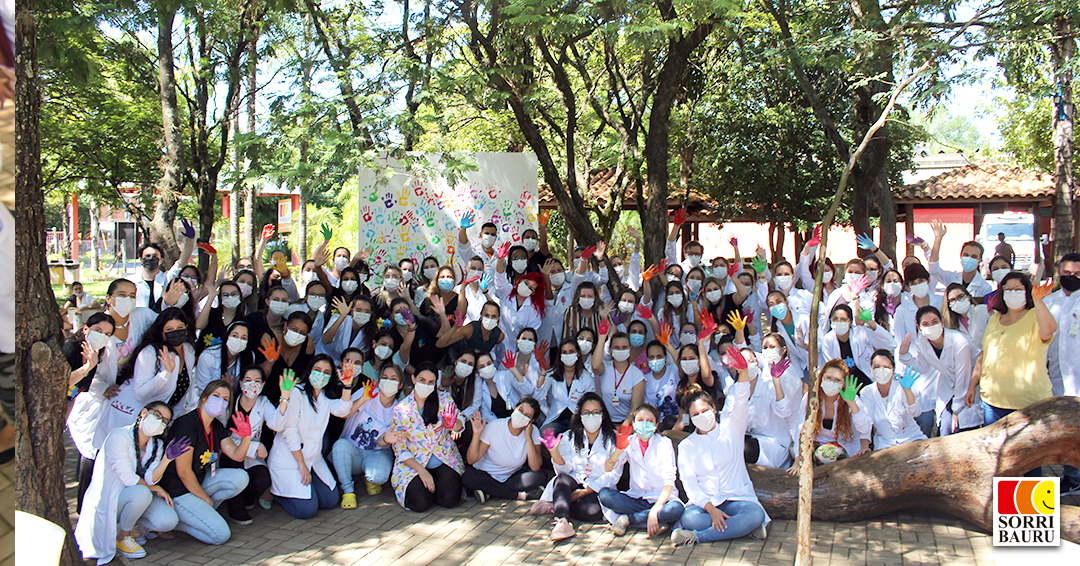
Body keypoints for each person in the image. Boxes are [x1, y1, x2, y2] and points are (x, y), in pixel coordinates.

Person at [965, 272, 1055, 476]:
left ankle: (1030, 508)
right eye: (1008, 289)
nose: (1013, 293)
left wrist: (1039, 301)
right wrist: (973, 384)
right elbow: (984, 353)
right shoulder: (996, 318)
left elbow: (1048, 331)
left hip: (1028, 403)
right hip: (994, 403)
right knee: (1000, 461)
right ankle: (1005, 507)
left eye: (1019, 289)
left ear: (1027, 291)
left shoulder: (1035, 315)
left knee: (1030, 460)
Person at [74, 402, 183, 563]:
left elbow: (150, 477)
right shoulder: (119, 436)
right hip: (111, 496)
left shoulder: (156, 445)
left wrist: (166, 460)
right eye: (157, 416)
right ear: (144, 413)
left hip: (132, 495)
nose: (160, 422)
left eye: (165, 421)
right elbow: (128, 478)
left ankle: (132, 524)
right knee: (142, 493)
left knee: (168, 520)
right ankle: (123, 536)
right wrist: (155, 488)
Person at [671, 381, 770, 547]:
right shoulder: (686, 446)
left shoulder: (731, 430)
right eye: (695, 414)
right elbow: (690, 485)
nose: (701, 416)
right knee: (689, 518)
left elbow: (741, 401)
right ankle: (743, 528)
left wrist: (744, 373)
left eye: (705, 411)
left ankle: (697, 537)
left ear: (714, 409)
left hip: (736, 500)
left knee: (754, 514)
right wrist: (711, 509)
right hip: (706, 505)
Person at [156, 381, 252, 545]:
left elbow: (237, 456)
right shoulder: (186, 424)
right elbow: (184, 472)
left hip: (198, 482)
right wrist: (205, 499)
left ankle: (197, 515)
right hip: (178, 489)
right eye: (216, 396)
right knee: (220, 535)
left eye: (225, 399)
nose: (220, 401)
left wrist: (246, 437)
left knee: (241, 477)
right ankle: (180, 521)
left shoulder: (216, 426)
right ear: (204, 398)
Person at [268, 355, 356, 519]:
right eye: (317, 370)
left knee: (331, 500)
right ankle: (277, 494)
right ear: (309, 371)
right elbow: (289, 431)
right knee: (307, 511)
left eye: (326, 372)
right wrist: (301, 464)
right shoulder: (296, 392)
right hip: (290, 459)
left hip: (313, 459)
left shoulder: (325, 397)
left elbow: (343, 410)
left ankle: (308, 492)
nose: (321, 375)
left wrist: (347, 386)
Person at [531, 393, 622, 541]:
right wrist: (554, 453)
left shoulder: (614, 438)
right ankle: (562, 521)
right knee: (561, 481)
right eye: (586, 413)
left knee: (591, 511)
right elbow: (563, 471)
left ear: (603, 415)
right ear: (579, 415)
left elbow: (614, 475)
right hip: (574, 480)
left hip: (596, 487)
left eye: (595, 412)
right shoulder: (569, 436)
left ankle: (558, 503)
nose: (590, 416)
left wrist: (584, 492)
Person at [388, 364, 466, 512]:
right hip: (415, 463)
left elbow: (459, 421)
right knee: (420, 503)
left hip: (444, 459)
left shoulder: (444, 400)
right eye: (422, 380)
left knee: (450, 499)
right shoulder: (401, 409)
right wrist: (421, 470)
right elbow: (399, 448)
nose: (426, 385)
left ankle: (438, 486)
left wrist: (453, 424)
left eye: (431, 382)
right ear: (413, 379)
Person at [598, 404, 684, 536]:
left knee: (676, 509)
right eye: (640, 420)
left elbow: (669, 484)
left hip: (661, 499)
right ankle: (655, 521)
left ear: (656, 425)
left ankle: (628, 519)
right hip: (636, 497)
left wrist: (655, 510)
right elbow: (608, 467)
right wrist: (619, 449)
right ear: (634, 423)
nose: (645, 424)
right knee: (604, 495)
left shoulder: (664, 443)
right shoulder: (630, 441)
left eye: (650, 421)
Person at [901, 307, 982, 437]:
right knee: (945, 427)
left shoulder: (960, 343)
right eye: (925, 324)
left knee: (961, 428)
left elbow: (963, 379)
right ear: (919, 328)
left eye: (935, 322)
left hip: (971, 386)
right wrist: (904, 355)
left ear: (942, 323)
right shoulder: (922, 341)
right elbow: (923, 368)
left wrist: (956, 411)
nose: (931, 327)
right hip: (949, 387)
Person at [333, 362, 402, 509]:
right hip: (351, 449)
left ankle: (368, 478)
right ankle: (348, 490)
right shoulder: (368, 392)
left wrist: (385, 439)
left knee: (379, 476)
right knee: (339, 446)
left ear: (400, 385)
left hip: (375, 453)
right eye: (385, 377)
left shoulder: (399, 410)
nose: (388, 381)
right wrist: (364, 398)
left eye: (393, 379)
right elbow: (345, 414)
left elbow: (382, 443)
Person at [788, 360, 872, 473]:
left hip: (843, 444)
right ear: (821, 377)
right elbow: (801, 428)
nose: (832, 383)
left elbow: (865, 429)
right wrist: (798, 460)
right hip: (818, 440)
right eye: (828, 378)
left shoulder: (852, 399)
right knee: (795, 448)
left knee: (825, 455)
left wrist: (851, 403)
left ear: (843, 384)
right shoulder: (810, 397)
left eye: (837, 380)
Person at [221, 367, 280, 523]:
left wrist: (285, 398)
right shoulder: (229, 403)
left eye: (257, 381)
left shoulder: (263, 402)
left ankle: (247, 499)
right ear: (240, 384)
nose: (252, 385)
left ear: (262, 385)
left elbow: (277, 424)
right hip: (229, 454)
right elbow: (221, 436)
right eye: (248, 381)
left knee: (262, 478)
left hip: (250, 458)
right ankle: (235, 510)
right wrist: (255, 447)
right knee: (233, 465)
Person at [463, 397, 547, 502]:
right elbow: (471, 460)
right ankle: (518, 495)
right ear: (514, 408)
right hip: (485, 474)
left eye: (527, 416)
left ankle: (490, 492)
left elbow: (535, 467)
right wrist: (476, 435)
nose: (521, 416)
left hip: (512, 476)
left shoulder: (533, 431)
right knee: (468, 478)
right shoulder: (495, 426)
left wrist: (528, 438)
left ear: (531, 421)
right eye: (520, 410)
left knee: (541, 476)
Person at [1044, 252, 1080, 494]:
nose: (1071, 278)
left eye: (1077, 274)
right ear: (1059, 273)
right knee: (1066, 434)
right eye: (1067, 274)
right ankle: (1072, 477)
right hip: (1055, 380)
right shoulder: (1048, 302)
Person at [859, 350, 927, 448]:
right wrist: (864, 447)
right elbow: (866, 424)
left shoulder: (901, 386)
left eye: (886, 367)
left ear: (893, 369)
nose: (881, 370)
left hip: (912, 438)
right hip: (885, 443)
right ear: (871, 369)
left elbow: (915, 413)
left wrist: (907, 391)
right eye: (877, 367)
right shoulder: (866, 392)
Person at [591, 325, 646, 425]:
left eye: (624, 347)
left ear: (630, 348)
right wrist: (602, 338)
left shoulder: (637, 375)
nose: (620, 350)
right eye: (616, 347)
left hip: (627, 423)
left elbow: (635, 408)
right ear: (611, 349)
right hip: (604, 421)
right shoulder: (605, 367)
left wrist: (623, 428)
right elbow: (595, 366)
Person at [928, 219, 993, 300]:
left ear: (980, 260)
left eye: (973, 256)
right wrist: (938, 238)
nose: (969, 259)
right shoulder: (952, 278)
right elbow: (934, 269)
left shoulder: (985, 288)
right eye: (966, 255)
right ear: (961, 256)